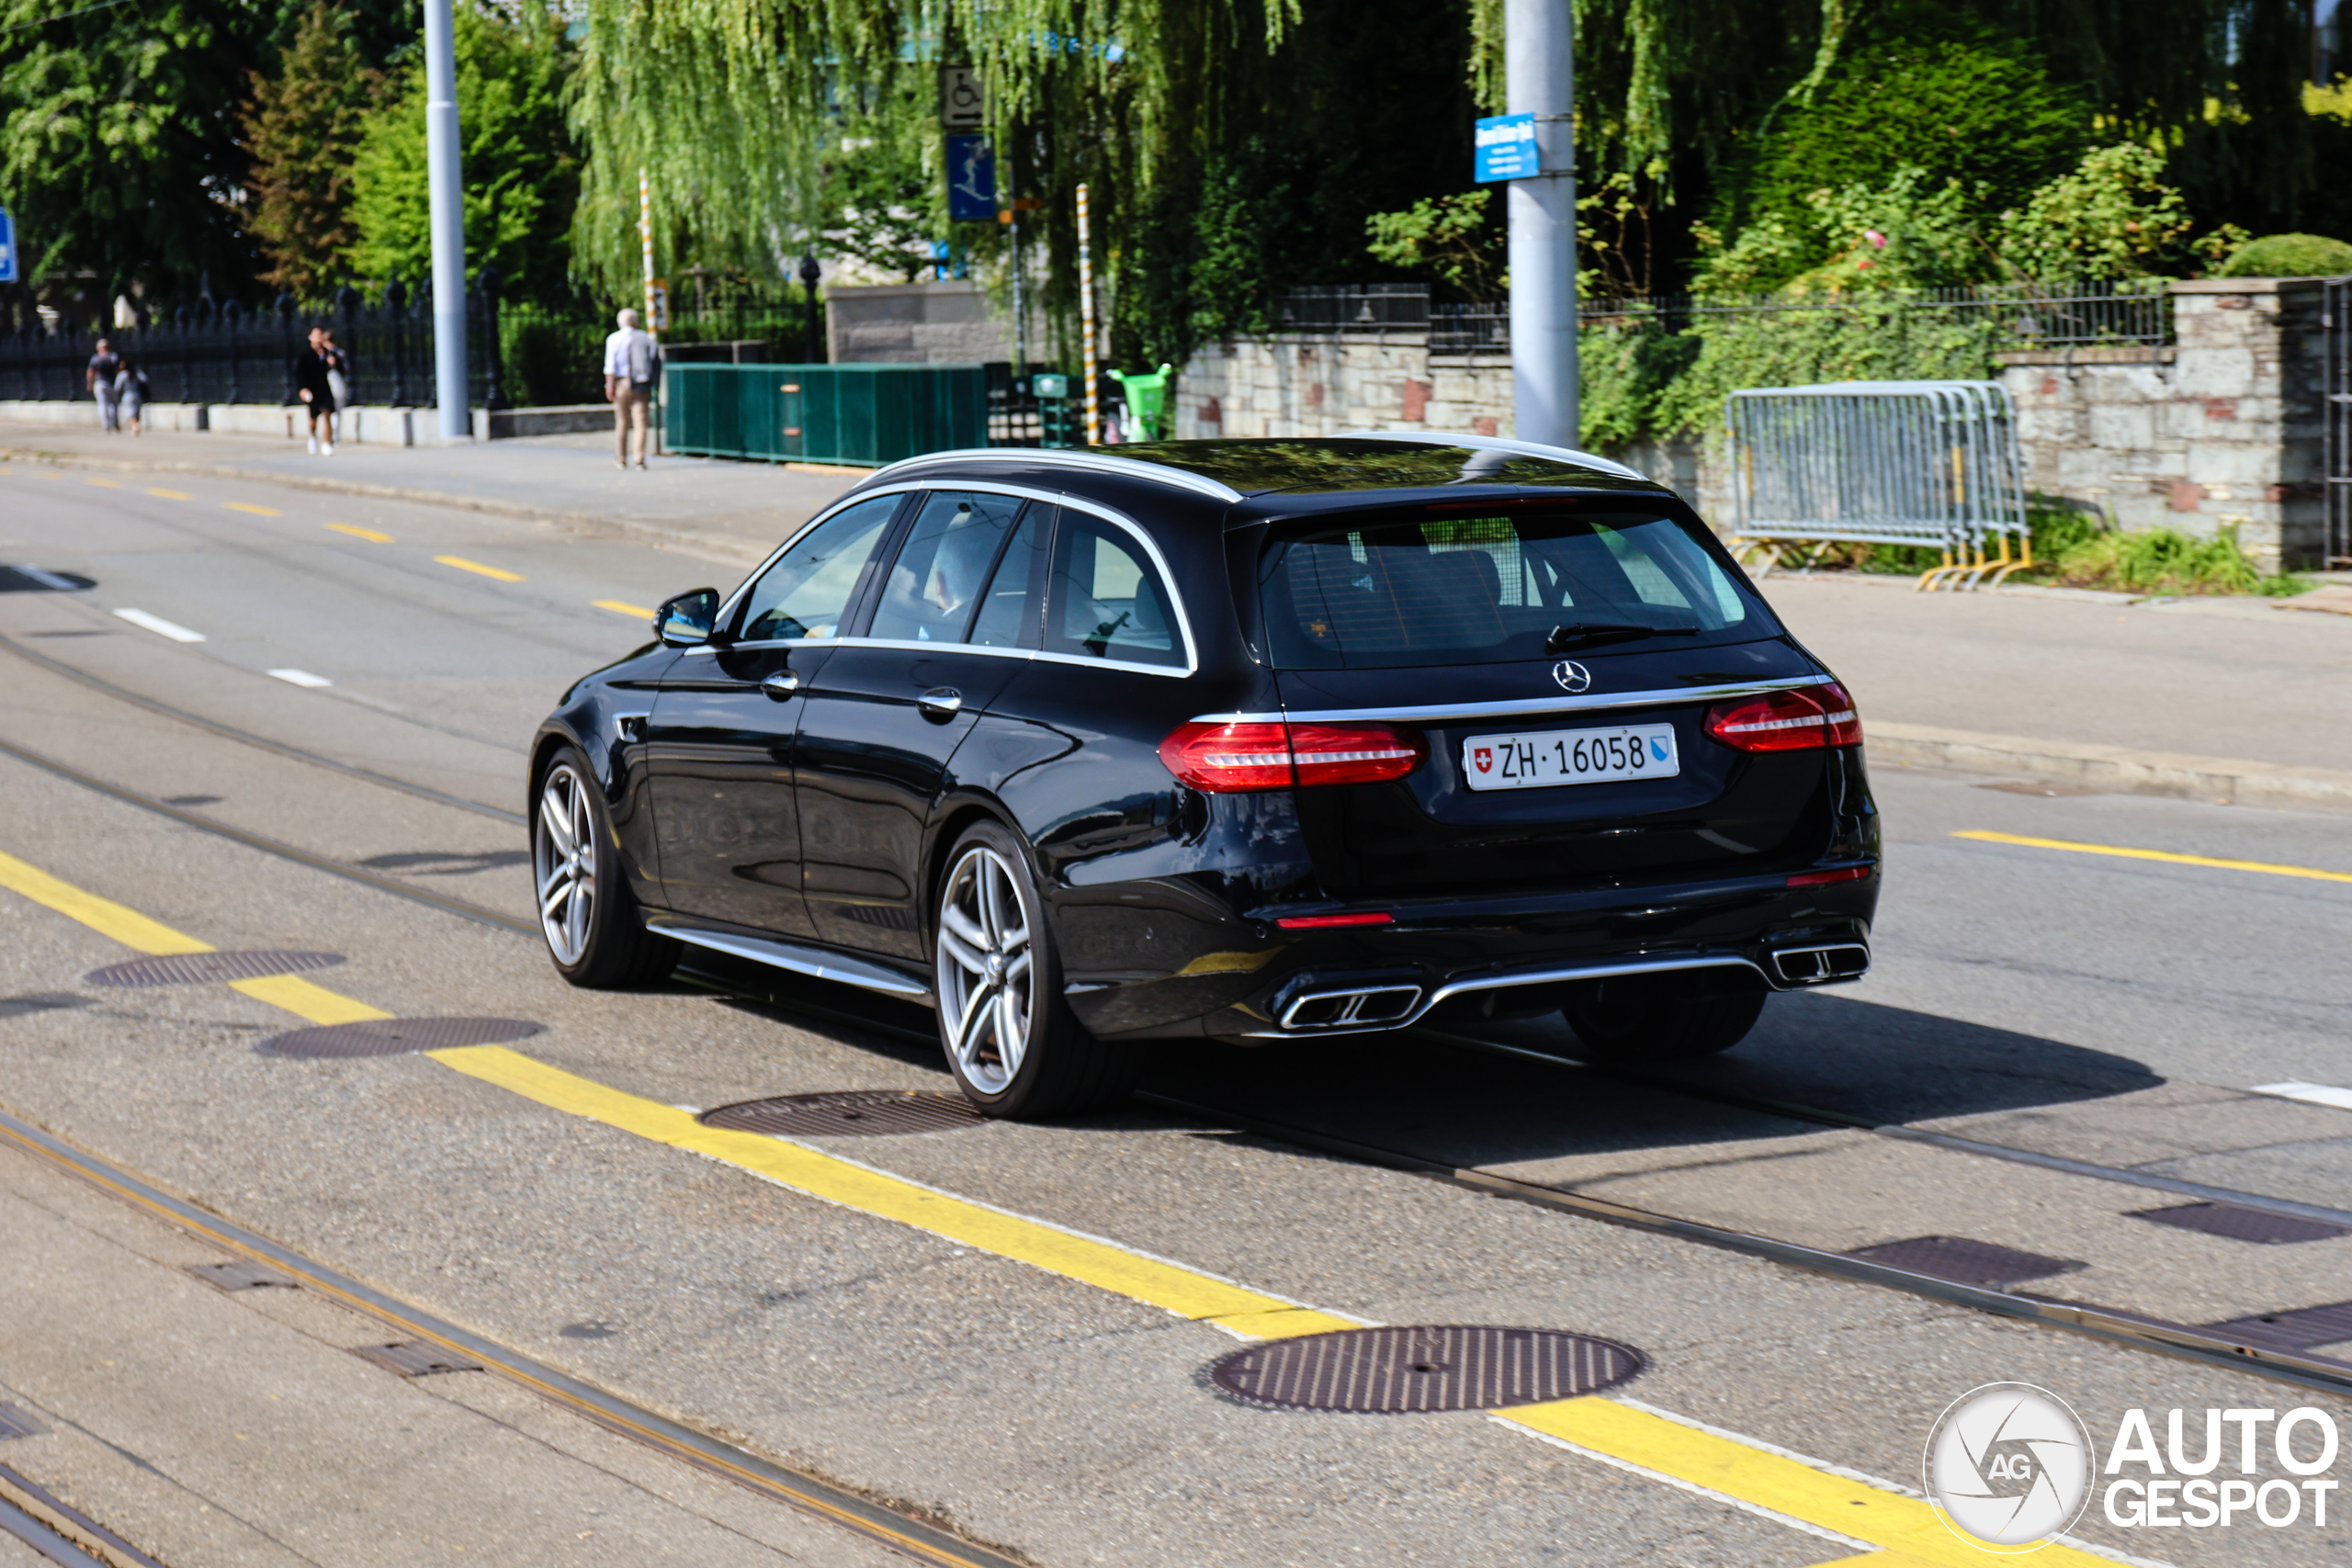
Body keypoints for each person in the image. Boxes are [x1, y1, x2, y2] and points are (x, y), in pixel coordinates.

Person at [603, 308, 658, 468]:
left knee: (621, 421)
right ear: (634, 322)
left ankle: (621, 458)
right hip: (640, 382)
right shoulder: (644, 337)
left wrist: (609, 386)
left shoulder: (613, 339)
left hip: (621, 382)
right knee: (640, 422)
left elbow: (610, 366)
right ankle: (639, 459)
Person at [295, 325, 336, 455]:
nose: (319, 338)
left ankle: (326, 443)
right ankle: (312, 437)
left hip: (324, 388)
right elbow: (299, 374)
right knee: (313, 419)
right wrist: (303, 389)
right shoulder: (305, 355)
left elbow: (341, 362)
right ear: (310, 337)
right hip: (312, 390)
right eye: (316, 335)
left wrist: (331, 354)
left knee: (327, 414)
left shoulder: (327, 352)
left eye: (320, 335)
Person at [321, 330, 351, 444]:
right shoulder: (322, 355)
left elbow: (344, 370)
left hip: (335, 382)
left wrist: (334, 363)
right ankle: (332, 435)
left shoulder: (337, 353)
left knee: (335, 409)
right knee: (331, 410)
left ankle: (334, 435)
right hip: (329, 383)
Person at [87, 338, 122, 434]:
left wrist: (90, 383)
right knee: (113, 404)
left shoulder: (95, 358)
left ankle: (106, 425)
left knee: (103, 404)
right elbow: (118, 370)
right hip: (112, 383)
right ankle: (114, 422)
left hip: (99, 383)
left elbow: (91, 372)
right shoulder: (113, 357)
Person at [115, 353, 149, 436]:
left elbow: (117, 387)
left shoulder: (122, 375)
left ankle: (135, 427)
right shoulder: (137, 373)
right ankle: (136, 426)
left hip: (127, 396)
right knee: (136, 414)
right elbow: (145, 380)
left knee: (130, 415)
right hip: (137, 395)